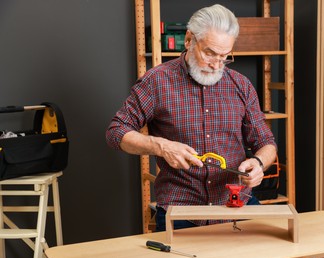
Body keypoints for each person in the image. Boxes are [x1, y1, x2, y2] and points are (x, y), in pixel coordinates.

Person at [106, 4, 277, 231]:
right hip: (181, 212)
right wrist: (161, 146)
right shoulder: (156, 81)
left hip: (238, 206)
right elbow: (116, 132)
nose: (217, 64)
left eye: (225, 57)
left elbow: (267, 143)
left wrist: (258, 164)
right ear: (189, 40)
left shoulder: (241, 85)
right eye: (209, 53)